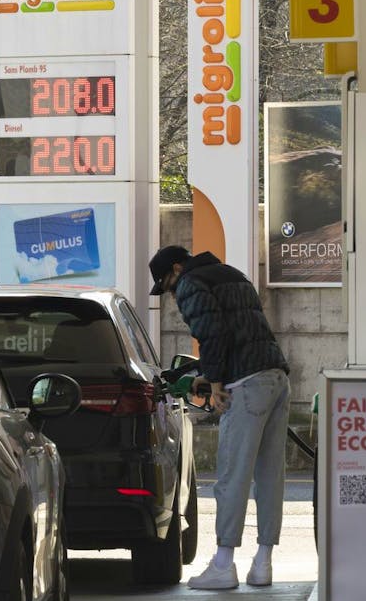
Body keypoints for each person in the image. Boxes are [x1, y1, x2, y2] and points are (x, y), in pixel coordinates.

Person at [149, 245, 291, 590]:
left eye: (168, 286)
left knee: (232, 476)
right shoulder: (233, 275)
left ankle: (224, 565)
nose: (172, 295)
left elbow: (212, 333)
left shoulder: (190, 282)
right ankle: (263, 564)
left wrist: (214, 385)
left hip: (246, 384)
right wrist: (208, 375)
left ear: (177, 269)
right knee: (270, 475)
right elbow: (241, 331)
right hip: (276, 377)